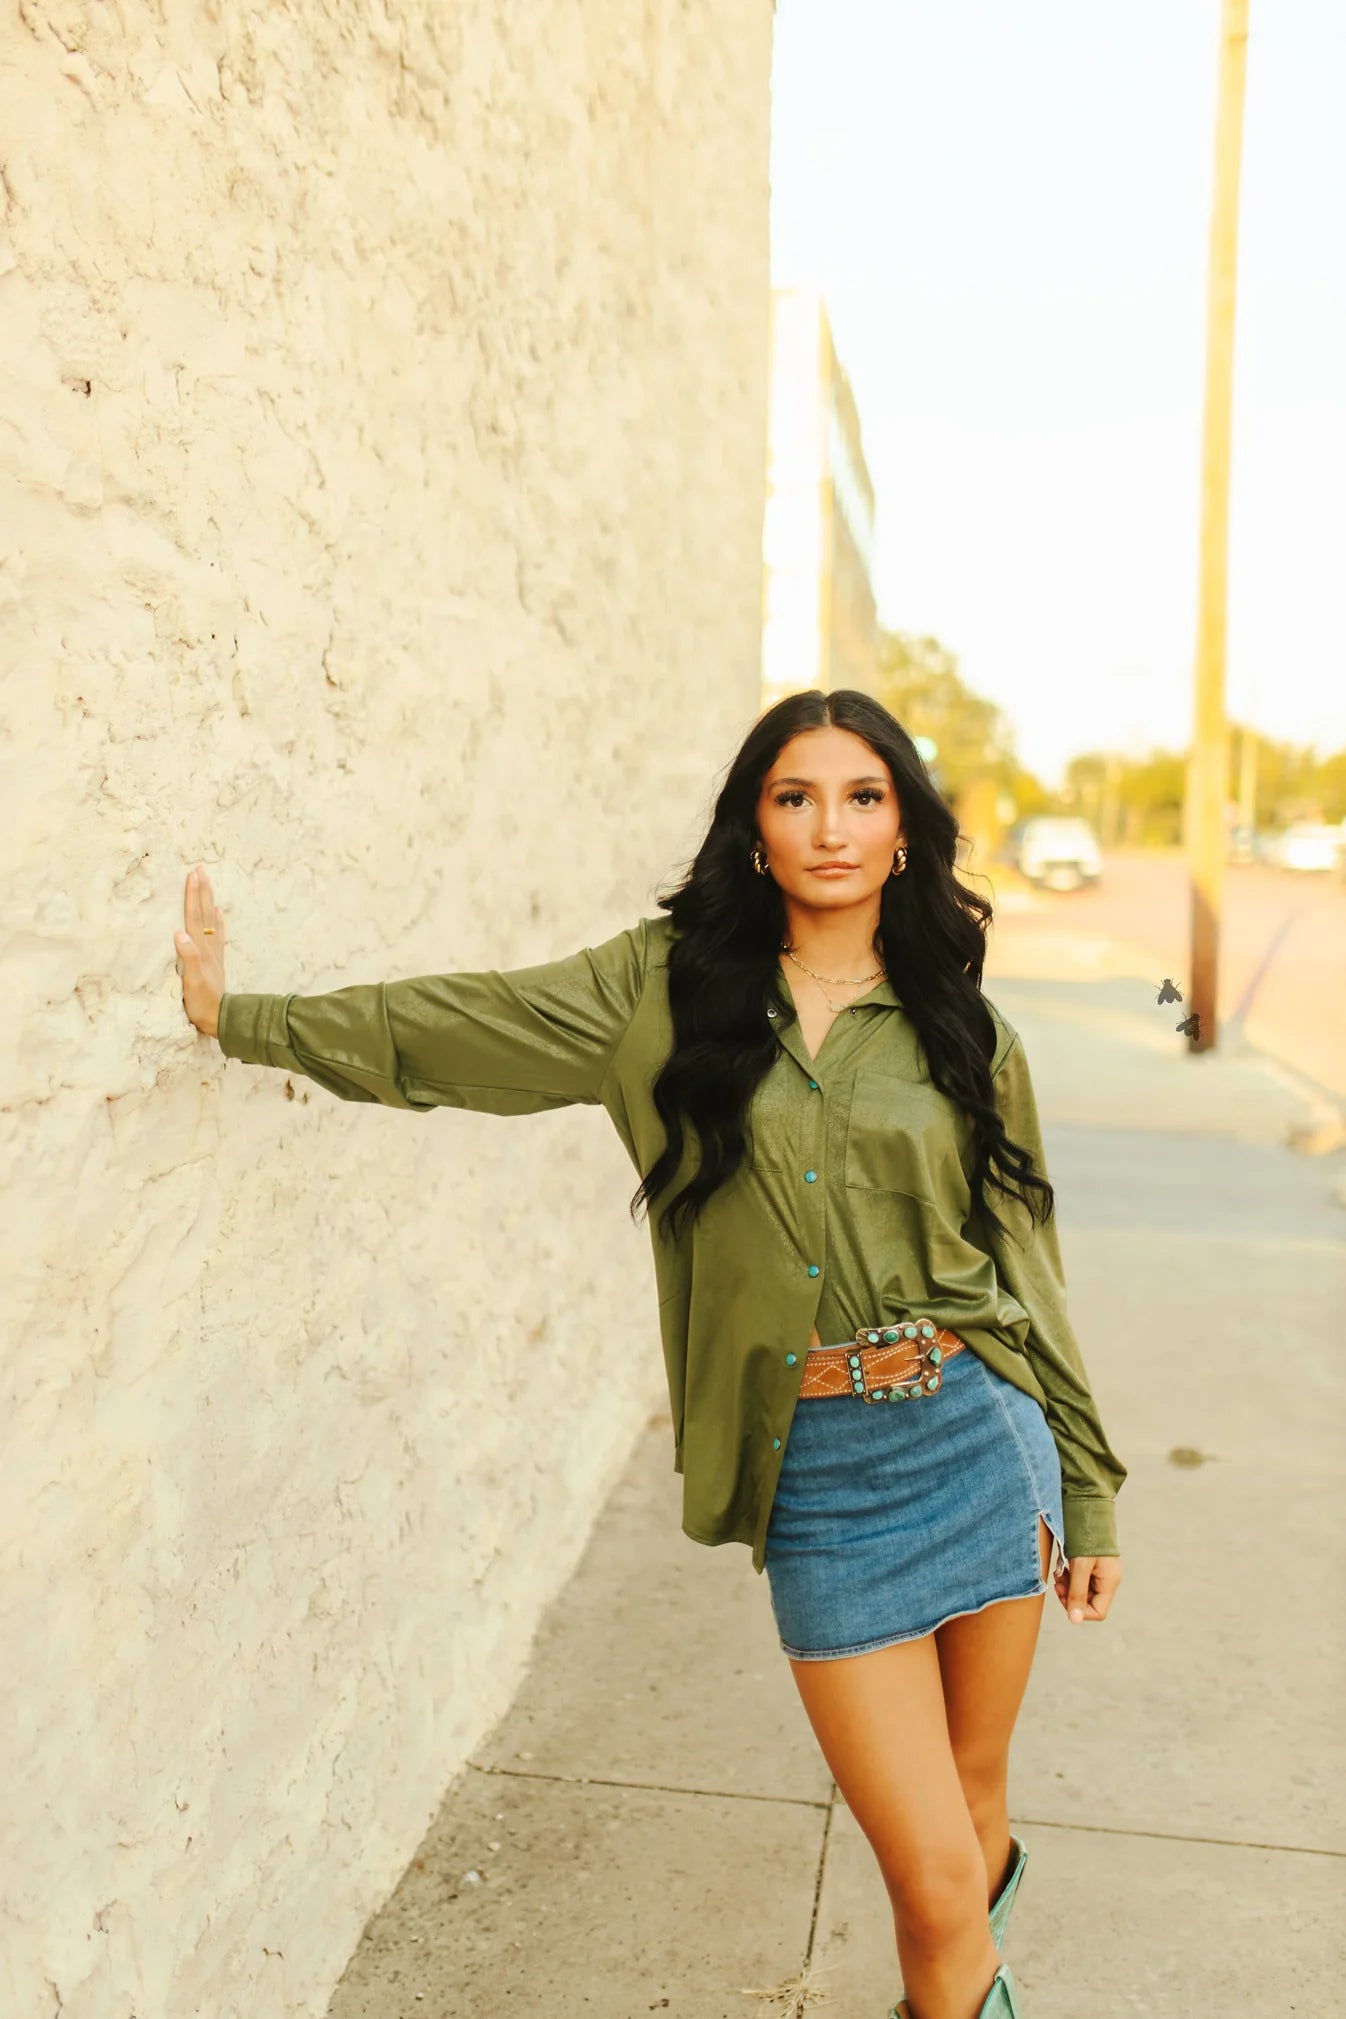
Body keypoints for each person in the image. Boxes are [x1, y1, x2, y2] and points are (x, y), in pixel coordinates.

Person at [175, 687, 1125, 2019]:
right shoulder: (656, 992)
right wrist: (245, 1019)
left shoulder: (965, 1031)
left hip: (976, 1434)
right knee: (928, 1878)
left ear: (904, 832)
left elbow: (1026, 1266)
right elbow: (457, 1030)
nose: (830, 827)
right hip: (825, 1482)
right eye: (794, 797)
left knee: (971, 1809)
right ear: (752, 832)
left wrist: (1085, 1483)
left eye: (863, 797)